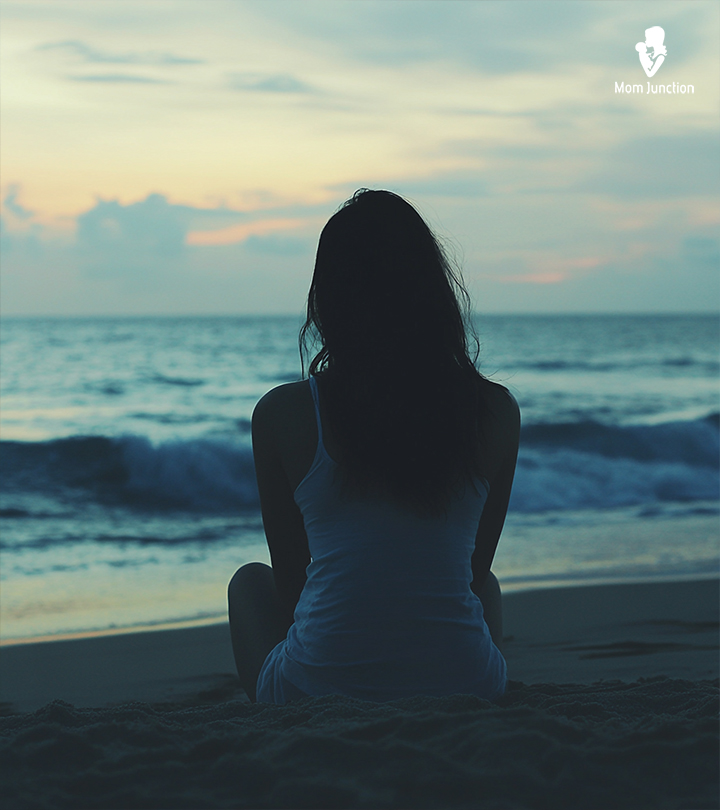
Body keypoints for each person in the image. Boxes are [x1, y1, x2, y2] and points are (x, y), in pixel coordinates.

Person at [228, 189, 520, 703]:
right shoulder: (494, 411)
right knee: (488, 587)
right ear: (434, 293)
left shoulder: (282, 414)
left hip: (318, 689)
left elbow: (296, 591)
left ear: (328, 298)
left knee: (251, 584)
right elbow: (472, 575)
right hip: (467, 687)